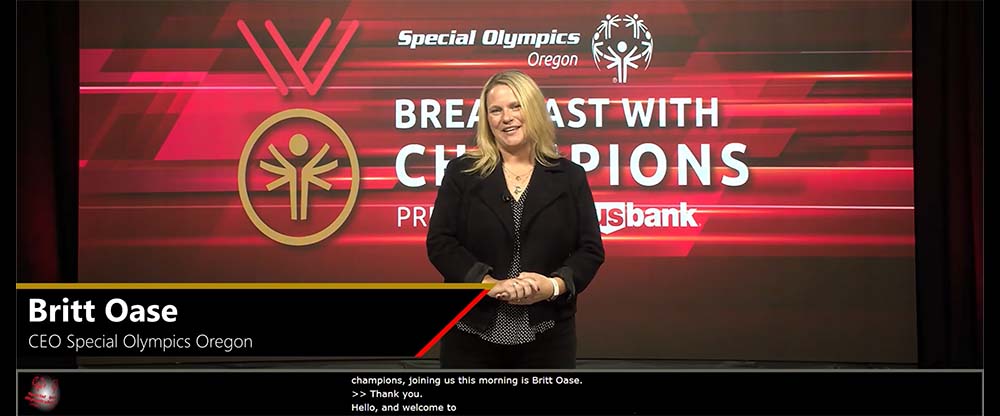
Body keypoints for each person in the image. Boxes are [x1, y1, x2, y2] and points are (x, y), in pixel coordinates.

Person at [426, 70, 605, 368]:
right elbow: (441, 243)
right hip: (470, 332)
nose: (506, 117)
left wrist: (554, 285)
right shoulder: (462, 172)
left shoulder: (570, 176)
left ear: (533, 110)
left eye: (515, 106)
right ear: (487, 120)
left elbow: (590, 250)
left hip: (547, 334)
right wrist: (485, 283)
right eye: (495, 110)